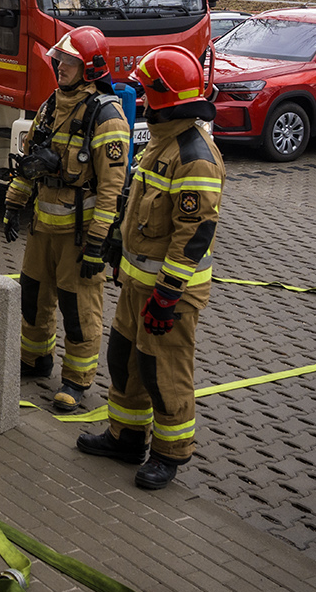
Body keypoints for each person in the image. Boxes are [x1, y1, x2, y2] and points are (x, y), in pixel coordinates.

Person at [77, 44, 224, 491]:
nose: (138, 98)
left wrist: (167, 295)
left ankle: (169, 453)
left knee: (165, 372)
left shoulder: (194, 155)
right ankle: (125, 437)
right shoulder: (161, 144)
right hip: (138, 284)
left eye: (145, 91)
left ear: (163, 97)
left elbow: (193, 234)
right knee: (125, 361)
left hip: (168, 295)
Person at [3, 27, 130, 413]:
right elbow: (31, 161)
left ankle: (76, 381)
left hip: (80, 236)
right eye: (60, 61)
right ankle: (35, 360)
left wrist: (97, 243)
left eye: (70, 62)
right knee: (33, 297)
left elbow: (111, 187)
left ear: (89, 68)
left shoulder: (106, 117)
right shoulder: (50, 106)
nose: (61, 68)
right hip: (43, 228)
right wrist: (13, 203)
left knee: (78, 310)